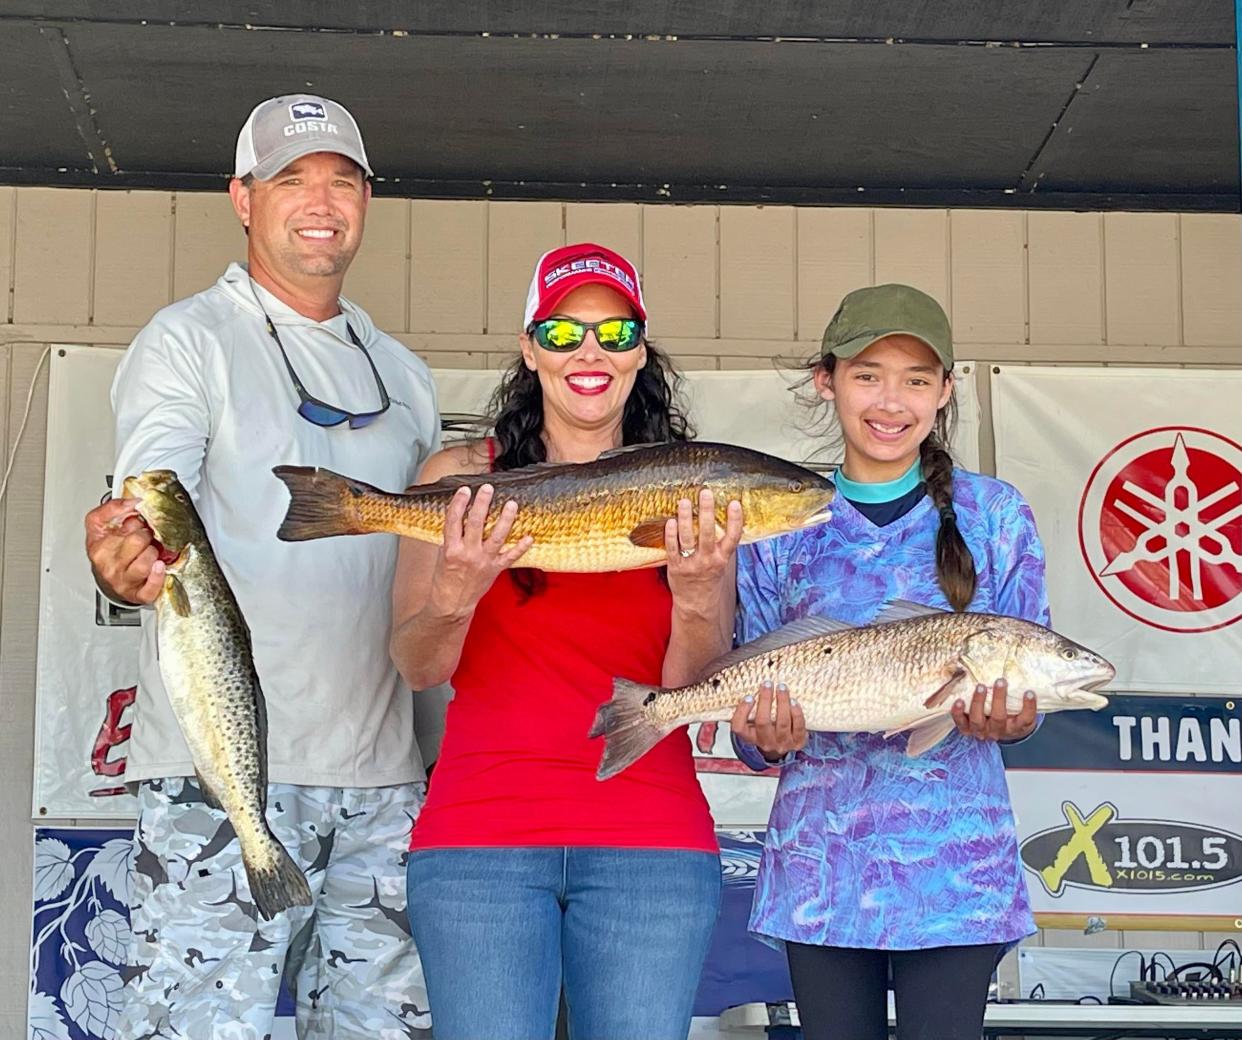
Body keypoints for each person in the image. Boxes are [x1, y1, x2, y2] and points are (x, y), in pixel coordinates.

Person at [82, 94, 439, 1039]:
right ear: (242, 197)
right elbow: (149, 499)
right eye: (292, 179)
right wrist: (125, 556)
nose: (321, 200)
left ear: (367, 200)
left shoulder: (404, 374)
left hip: (383, 781)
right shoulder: (187, 339)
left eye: (343, 180)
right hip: (224, 775)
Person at [390, 242, 739, 1040]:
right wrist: (455, 590)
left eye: (615, 335)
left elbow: (694, 687)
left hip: (651, 840)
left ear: (640, 352)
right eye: (563, 332)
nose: (590, 352)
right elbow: (417, 665)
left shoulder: (693, 486)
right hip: (480, 835)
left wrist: (693, 595)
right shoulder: (458, 478)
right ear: (529, 348)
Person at [730, 284, 1046, 1040]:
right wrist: (758, 735)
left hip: (955, 871)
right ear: (826, 380)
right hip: (822, 867)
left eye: (915, 379)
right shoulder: (778, 519)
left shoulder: (995, 515)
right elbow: (748, 712)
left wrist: (1012, 718)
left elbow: (1028, 681)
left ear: (945, 390)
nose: (890, 401)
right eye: (867, 374)